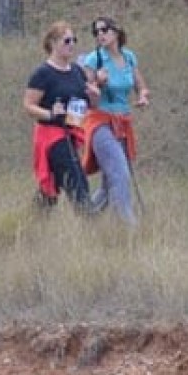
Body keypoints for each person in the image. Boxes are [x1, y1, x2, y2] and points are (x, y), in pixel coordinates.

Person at [22, 21, 100, 210]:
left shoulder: (77, 72)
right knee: (76, 180)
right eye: (66, 40)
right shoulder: (43, 73)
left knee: (52, 186)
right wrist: (50, 114)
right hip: (51, 136)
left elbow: (87, 105)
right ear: (53, 43)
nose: (71, 44)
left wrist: (94, 97)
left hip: (71, 133)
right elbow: (28, 105)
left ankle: (32, 223)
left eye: (74, 39)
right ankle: (90, 221)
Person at [80, 16, 151, 226]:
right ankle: (130, 229)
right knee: (120, 174)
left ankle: (86, 218)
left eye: (104, 29)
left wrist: (143, 96)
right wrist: (97, 83)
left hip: (122, 122)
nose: (100, 34)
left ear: (116, 32)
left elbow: (140, 84)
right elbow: (84, 93)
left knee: (109, 182)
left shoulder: (129, 57)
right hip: (99, 121)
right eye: (96, 32)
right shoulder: (95, 60)